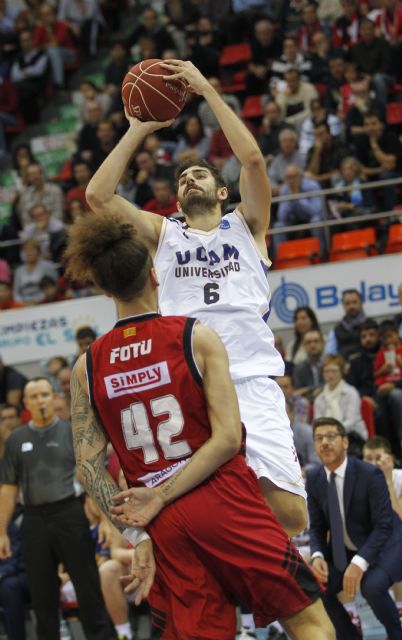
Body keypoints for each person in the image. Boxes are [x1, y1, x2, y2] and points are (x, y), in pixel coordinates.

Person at [65, 209, 334, 640]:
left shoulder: (86, 367)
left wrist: (140, 532)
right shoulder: (196, 335)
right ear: (156, 276)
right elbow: (228, 439)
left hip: (161, 525)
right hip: (221, 497)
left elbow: (90, 468)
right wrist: (162, 496)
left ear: (100, 288)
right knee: (310, 622)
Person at [85, 59, 308, 541]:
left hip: (249, 376)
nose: (190, 179)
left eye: (201, 175)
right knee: (188, 517)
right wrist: (139, 128)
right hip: (191, 383)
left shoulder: (248, 227)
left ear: (223, 191)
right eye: (183, 178)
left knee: (293, 517)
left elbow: (253, 160)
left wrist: (207, 91)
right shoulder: (163, 234)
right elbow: (98, 196)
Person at [0, 377, 117, 640]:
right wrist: (2, 532)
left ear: (53, 398)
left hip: (69, 513)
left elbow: (92, 476)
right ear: (25, 403)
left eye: (45, 395)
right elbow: (8, 488)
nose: (41, 400)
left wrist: (107, 522)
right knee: (42, 596)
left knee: (88, 588)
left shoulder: (71, 431)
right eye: (34, 396)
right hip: (33, 519)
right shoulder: (17, 439)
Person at [307, 417, 402, 640]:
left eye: (330, 436)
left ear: (345, 442)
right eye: (319, 438)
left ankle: (398, 635)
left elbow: (384, 525)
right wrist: (317, 554)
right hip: (348, 548)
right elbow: (317, 526)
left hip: (387, 544)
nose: (324, 443)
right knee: (317, 585)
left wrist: (359, 563)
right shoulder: (315, 477)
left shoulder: (369, 473)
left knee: (372, 586)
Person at [363, 436, 402, 635]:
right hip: (378, 542)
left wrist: (386, 481)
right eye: (368, 458)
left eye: (379, 458)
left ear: (391, 459)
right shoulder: (358, 480)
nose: (374, 463)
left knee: (398, 554)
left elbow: (400, 519)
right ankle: (352, 626)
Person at [374, 320, 402, 453]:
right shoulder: (381, 354)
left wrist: (397, 358)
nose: (388, 341)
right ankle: (385, 448)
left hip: (401, 388)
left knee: (397, 394)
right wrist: (384, 369)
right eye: (384, 338)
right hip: (382, 388)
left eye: (390, 336)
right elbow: (375, 373)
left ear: (398, 334)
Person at [314, 354, 368, 440]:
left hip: (352, 436)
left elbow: (351, 422)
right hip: (328, 438)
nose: (330, 375)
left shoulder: (351, 392)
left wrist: (333, 433)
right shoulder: (319, 399)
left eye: (334, 371)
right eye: (327, 371)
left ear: (342, 372)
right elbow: (318, 423)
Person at [324, 289, 366, 359]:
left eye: (354, 302)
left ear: (361, 303)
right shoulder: (336, 330)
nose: (351, 306)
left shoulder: (370, 324)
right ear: (343, 305)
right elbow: (329, 355)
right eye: (347, 303)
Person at [293, 329, 325, 402]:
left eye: (316, 341)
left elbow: (330, 385)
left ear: (323, 343)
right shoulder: (298, 369)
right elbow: (298, 392)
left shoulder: (329, 364)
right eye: (308, 342)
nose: (312, 345)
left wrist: (307, 389)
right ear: (303, 345)